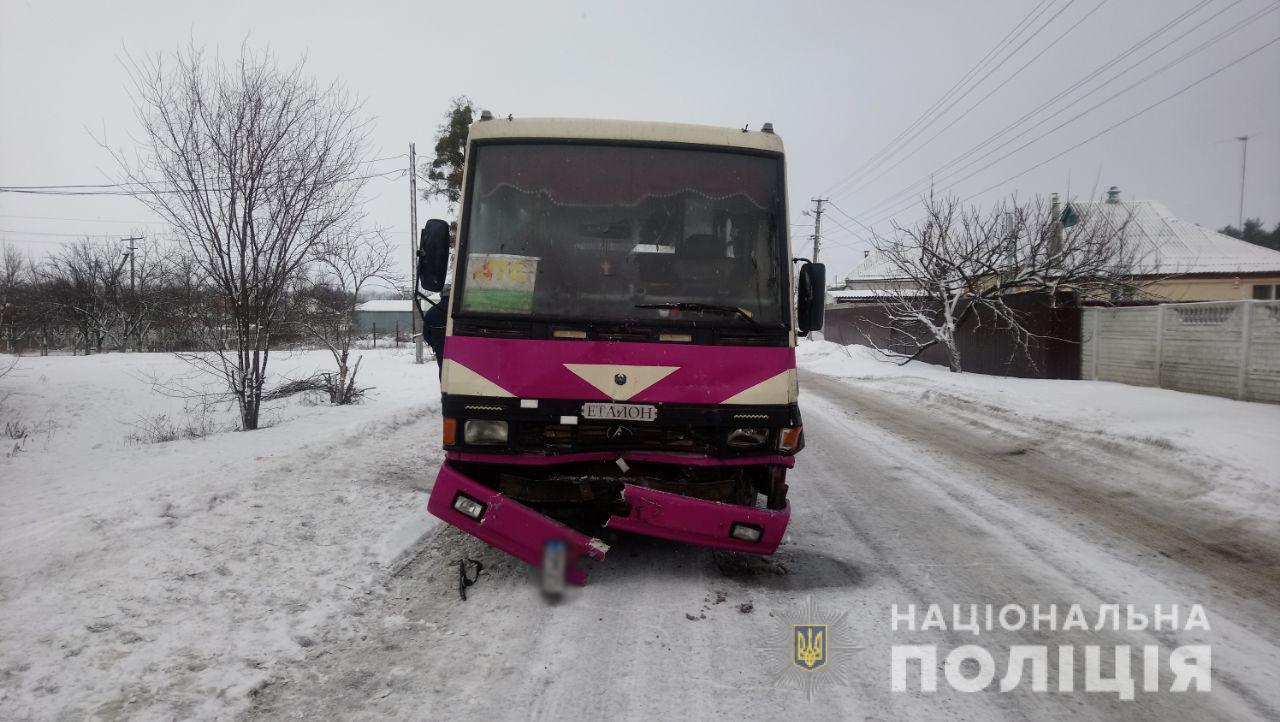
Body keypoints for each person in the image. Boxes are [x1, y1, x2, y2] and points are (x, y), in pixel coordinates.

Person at [423, 284, 450, 376]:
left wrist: (436, 345)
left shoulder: (431, 312)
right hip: (461, 350)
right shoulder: (461, 310)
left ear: (440, 295)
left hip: (440, 349)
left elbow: (426, 334)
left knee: (444, 374)